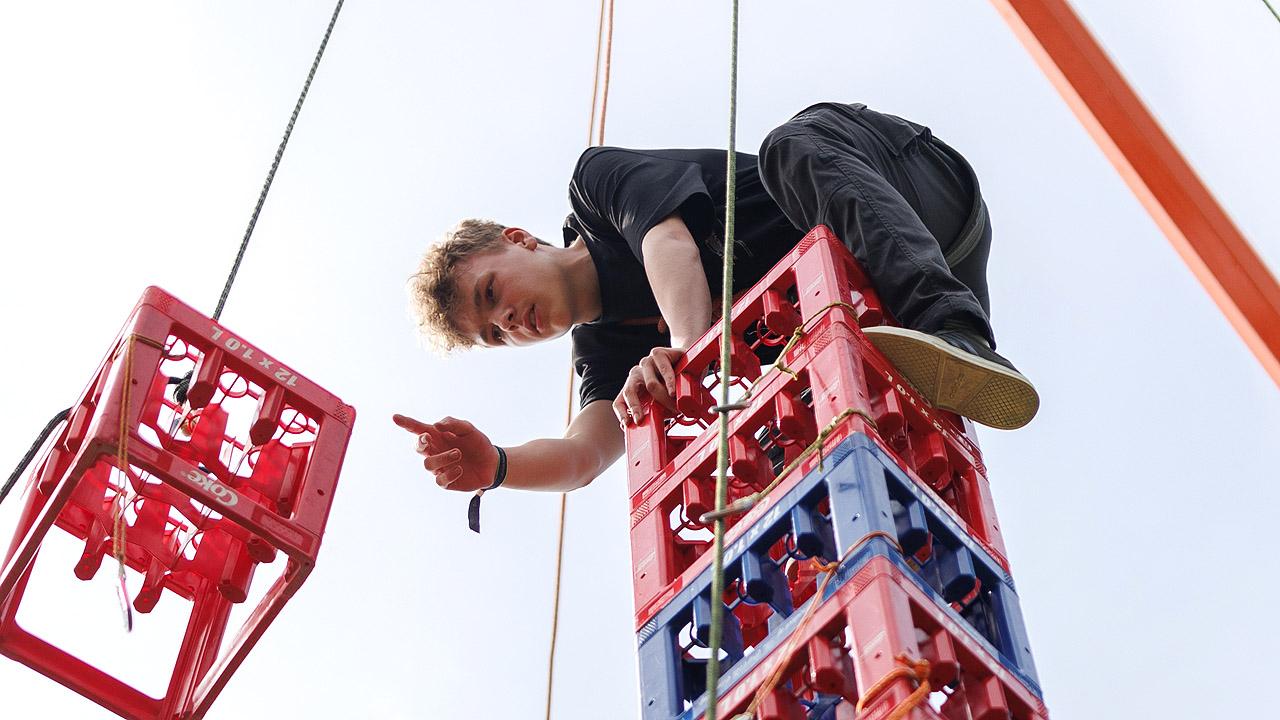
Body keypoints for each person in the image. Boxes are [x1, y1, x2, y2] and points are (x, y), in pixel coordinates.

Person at [395, 102, 1038, 498]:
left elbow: (666, 239)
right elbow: (583, 454)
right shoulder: (606, 350)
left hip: (905, 185)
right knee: (806, 422)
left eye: (491, 293)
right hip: (891, 285)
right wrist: (499, 467)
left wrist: (686, 353)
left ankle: (957, 331)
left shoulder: (596, 187)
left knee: (792, 143)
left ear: (520, 240)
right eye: (493, 334)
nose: (507, 321)